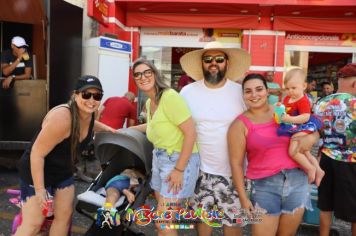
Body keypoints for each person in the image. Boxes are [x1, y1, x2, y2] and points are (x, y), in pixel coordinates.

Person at [15, 75, 116, 236]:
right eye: (86, 94)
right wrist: (40, 190)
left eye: (97, 96)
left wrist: (110, 130)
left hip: (63, 171)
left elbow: (90, 124)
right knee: (33, 223)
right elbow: (37, 154)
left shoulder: (91, 114)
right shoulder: (62, 117)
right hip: (38, 171)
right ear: (75, 95)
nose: (92, 100)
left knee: (64, 216)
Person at [228, 74, 316, 236]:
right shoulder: (239, 125)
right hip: (264, 187)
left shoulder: (283, 112)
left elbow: (312, 126)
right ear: (243, 96)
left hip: (297, 181)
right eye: (248, 91)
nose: (254, 95)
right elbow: (236, 163)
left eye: (259, 89)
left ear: (267, 91)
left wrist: (313, 137)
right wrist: (243, 198)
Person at [179, 41, 251, 235]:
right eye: (207, 59)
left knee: (233, 226)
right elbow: (176, 127)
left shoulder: (241, 93)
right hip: (199, 172)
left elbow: (259, 123)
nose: (213, 63)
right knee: (203, 224)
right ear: (201, 63)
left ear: (227, 63)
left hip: (235, 172)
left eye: (219, 59)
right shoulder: (187, 92)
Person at [131, 58, 200, 236]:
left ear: (155, 74)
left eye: (147, 72)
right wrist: (123, 130)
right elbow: (152, 126)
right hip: (159, 159)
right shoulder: (149, 102)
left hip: (177, 161)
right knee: (165, 223)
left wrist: (179, 169)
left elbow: (191, 132)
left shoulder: (169, 97)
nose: (142, 77)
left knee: (163, 221)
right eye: (137, 74)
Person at [314, 63, 356, 236]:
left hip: (326, 158)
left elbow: (317, 131)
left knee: (325, 205)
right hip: (351, 161)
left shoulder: (321, 103)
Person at [279, 68, 324, 186]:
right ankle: (319, 170)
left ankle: (310, 168)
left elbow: (305, 117)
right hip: (295, 125)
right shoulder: (287, 98)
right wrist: (280, 107)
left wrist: (290, 119)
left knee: (293, 150)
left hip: (305, 125)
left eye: (293, 88)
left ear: (304, 86)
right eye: (287, 88)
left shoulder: (303, 100)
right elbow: (284, 109)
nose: (290, 91)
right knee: (306, 151)